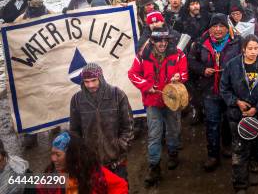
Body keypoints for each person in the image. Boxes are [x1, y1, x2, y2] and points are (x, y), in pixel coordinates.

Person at [128, 27, 188, 186]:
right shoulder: (142, 56)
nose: (162, 43)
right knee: (154, 134)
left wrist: (178, 77)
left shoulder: (179, 54)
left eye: (165, 40)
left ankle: (173, 153)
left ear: (168, 40)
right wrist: (147, 86)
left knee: (173, 130)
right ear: (152, 41)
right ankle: (154, 167)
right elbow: (132, 74)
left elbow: (184, 73)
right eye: (158, 40)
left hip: (172, 100)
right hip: (152, 102)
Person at [220, 35, 258, 193]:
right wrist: (236, 102)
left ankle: (255, 168)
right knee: (239, 149)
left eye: (256, 48)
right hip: (237, 116)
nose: (253, 52)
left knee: (257, 145)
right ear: (243, 49)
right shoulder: (232, 65)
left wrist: (257, 108)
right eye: (249, 48)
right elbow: (224, 88)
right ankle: (240, 184)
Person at [189, 14, 241, 171]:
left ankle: (226, 146)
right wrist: (203, 70)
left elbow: (243, 61)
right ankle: (213, 154)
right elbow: (191, 61)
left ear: (227, 28)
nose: (218, 30)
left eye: (221, 26)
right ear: (210, 28)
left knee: (228, 120)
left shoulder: (237, 42)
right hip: (209, 90)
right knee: (212, 123)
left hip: (229, 90)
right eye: (214, 26)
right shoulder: (200, 43)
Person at [69, 63, 133, 181]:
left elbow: (128, 126)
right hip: (91, 163)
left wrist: (120, 146)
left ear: (101, 78)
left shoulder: (117, 95)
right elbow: (74, 131)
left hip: (117, 161)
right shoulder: (77, 100)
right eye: (86, 81)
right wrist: (82, 152)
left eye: (94, 80)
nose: (90, 85)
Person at [41, 131, 128, 193]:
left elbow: (121, 185)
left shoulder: (94, 173)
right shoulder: (52, 174)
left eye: (58, 154)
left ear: (71, 156)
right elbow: (34, 187)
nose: (53, 159)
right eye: (52, 153)